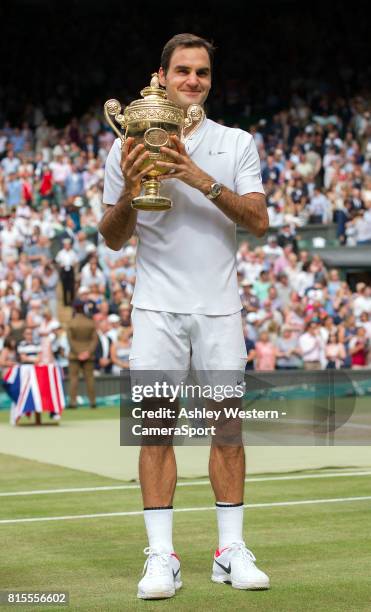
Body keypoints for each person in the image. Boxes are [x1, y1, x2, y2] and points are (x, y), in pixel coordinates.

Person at [99, 33, 269, 599]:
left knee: (227, 433)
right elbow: (113, 237)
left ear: (209, 80)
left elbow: (259, 221)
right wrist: (128, 188)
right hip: (154, 310)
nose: (192, 80)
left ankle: (229, 552)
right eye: (182, 71)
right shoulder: (126, 141)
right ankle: (161, 559)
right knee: (156, 434)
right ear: (162, 76)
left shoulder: (236, 142)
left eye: (201, 72)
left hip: (220, 310)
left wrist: (198, 176)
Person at [67, 300, 98, 408]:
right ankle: (93, 402)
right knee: (90, 378)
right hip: (88, 354)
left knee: (74, 379)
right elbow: (94, 340)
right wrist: (88, 352)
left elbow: (70, 341)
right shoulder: (90, 323)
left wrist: (78, 352)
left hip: (74, 355)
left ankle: (73, 402)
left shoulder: (71, 323)